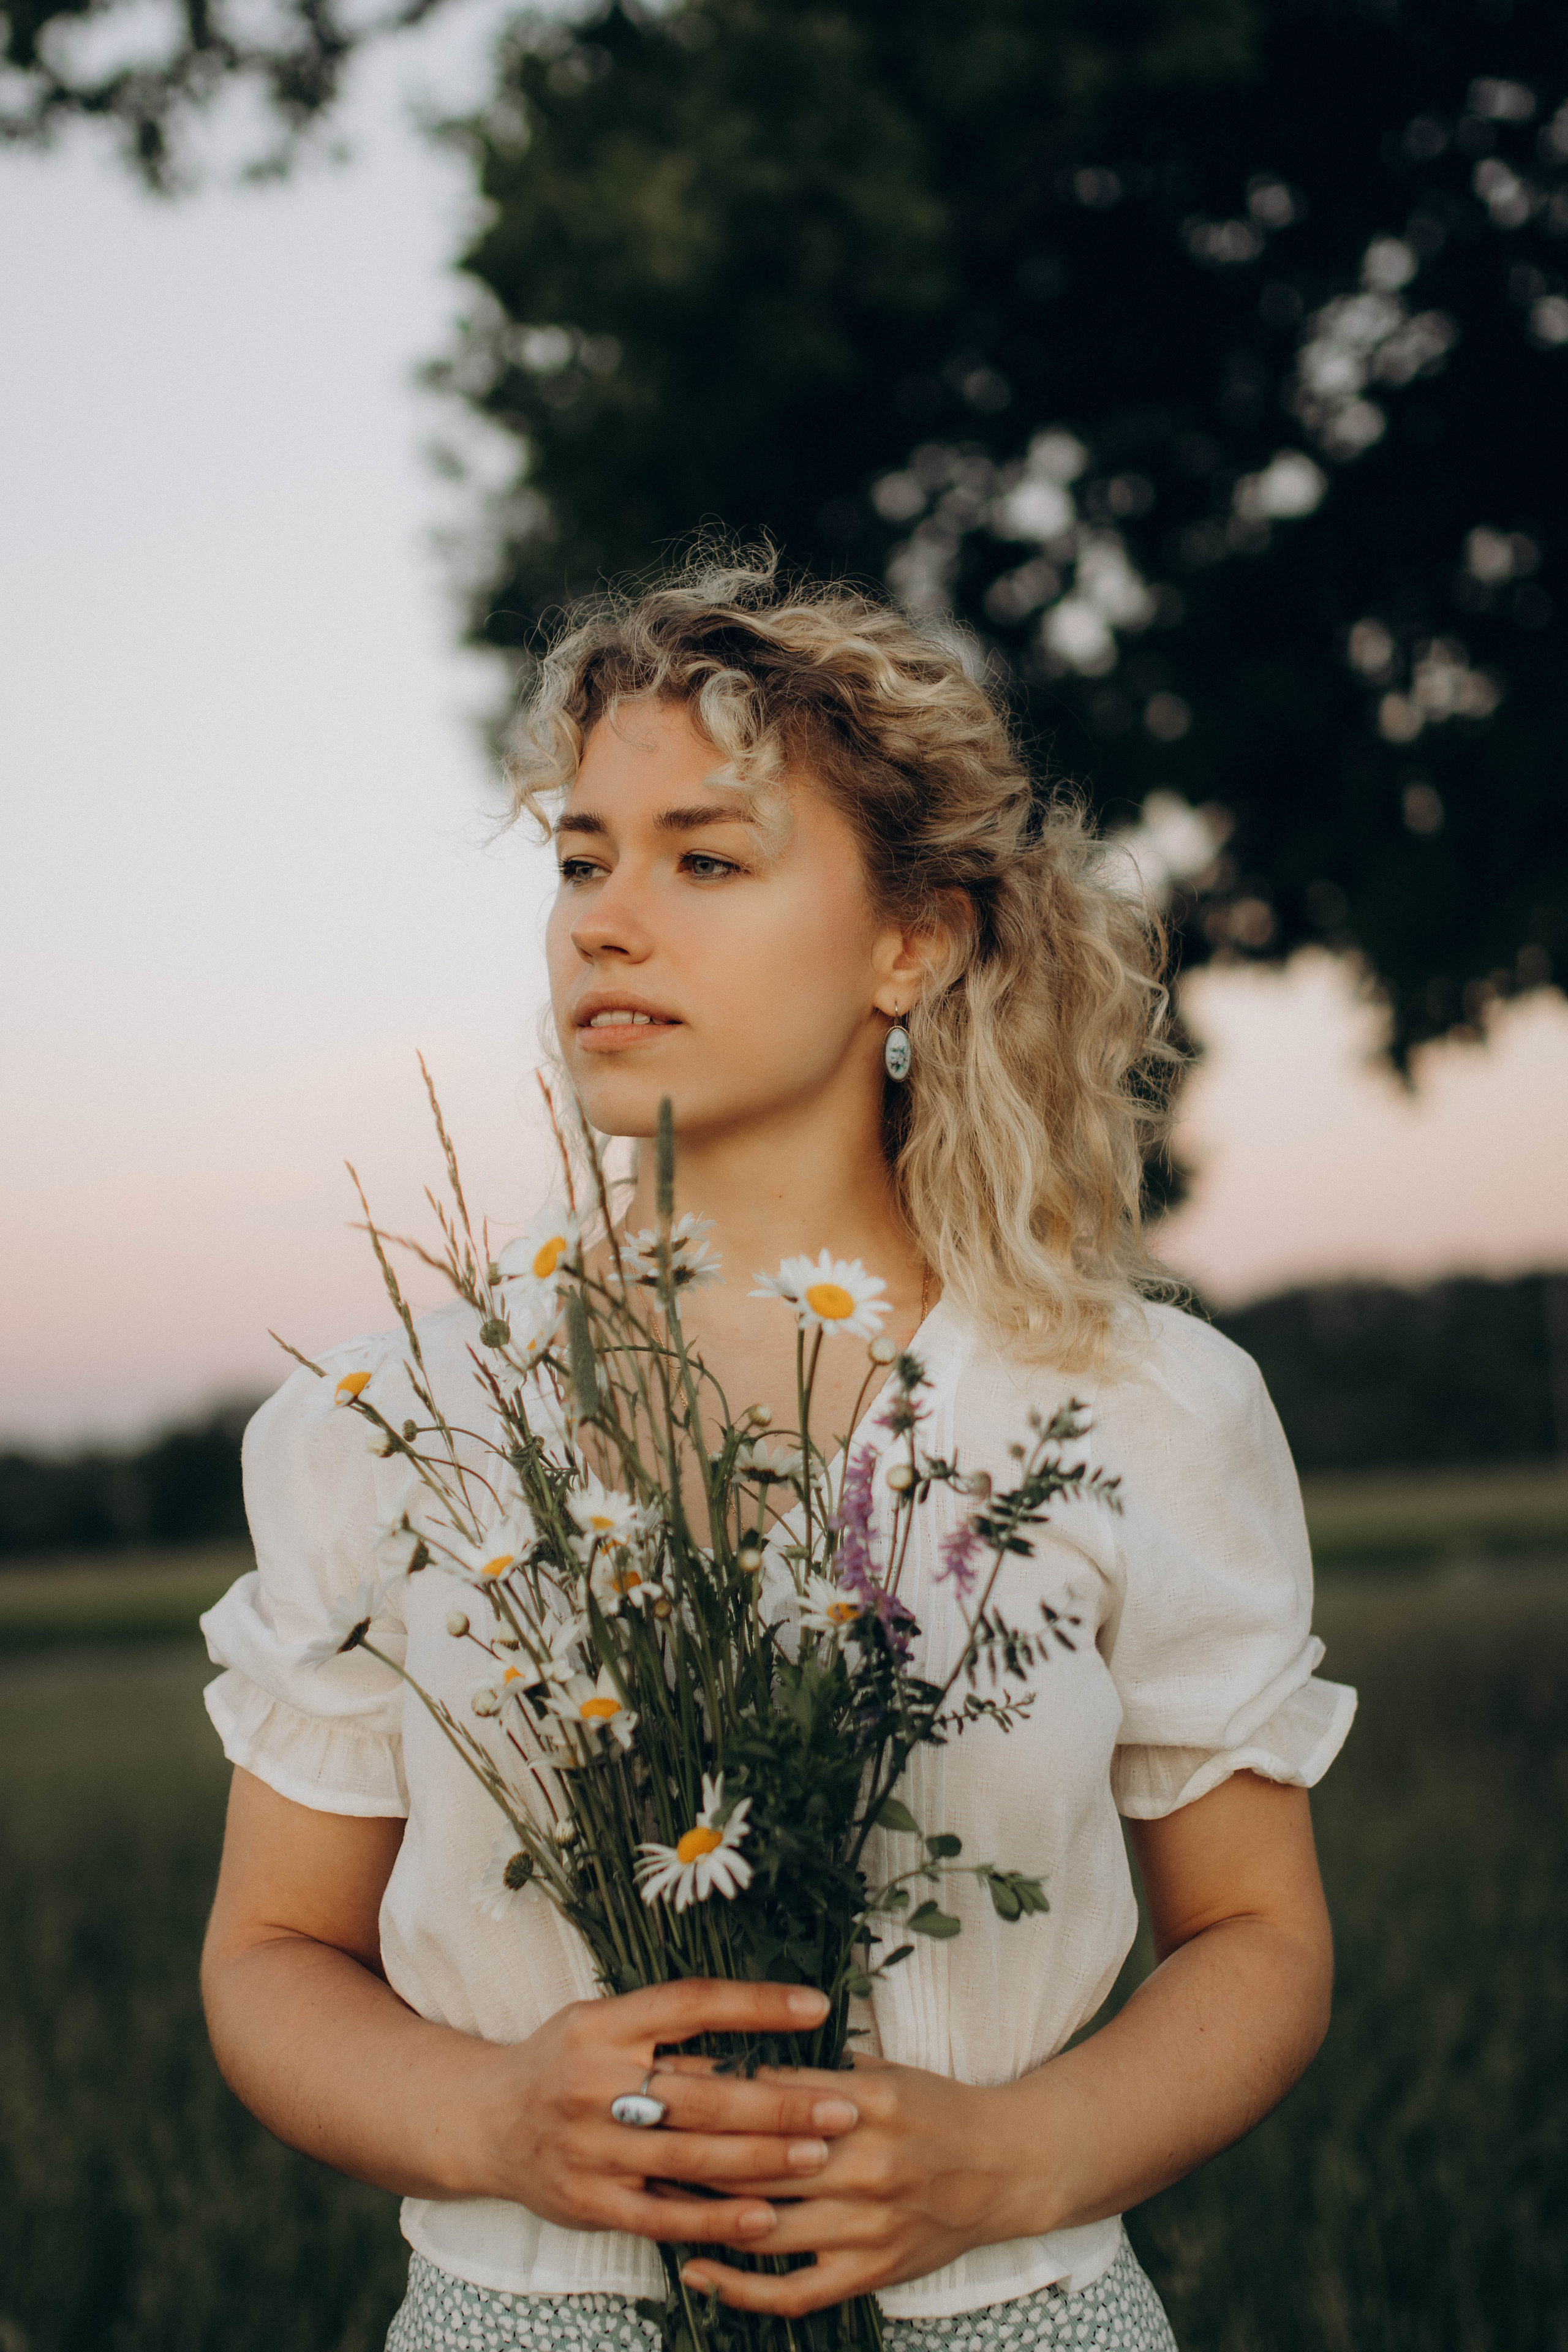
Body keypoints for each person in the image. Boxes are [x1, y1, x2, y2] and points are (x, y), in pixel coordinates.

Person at [200, 556, 1356, 2352]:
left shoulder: (1133, 1407)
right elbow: (271, 1955)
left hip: (1018, 2311)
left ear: (917, 942)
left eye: (707, 860)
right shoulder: (399, 1422)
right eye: (582, 859)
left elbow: (1260, 1938)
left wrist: (1017, 2160)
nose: (604, 923)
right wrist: (491, 2122)